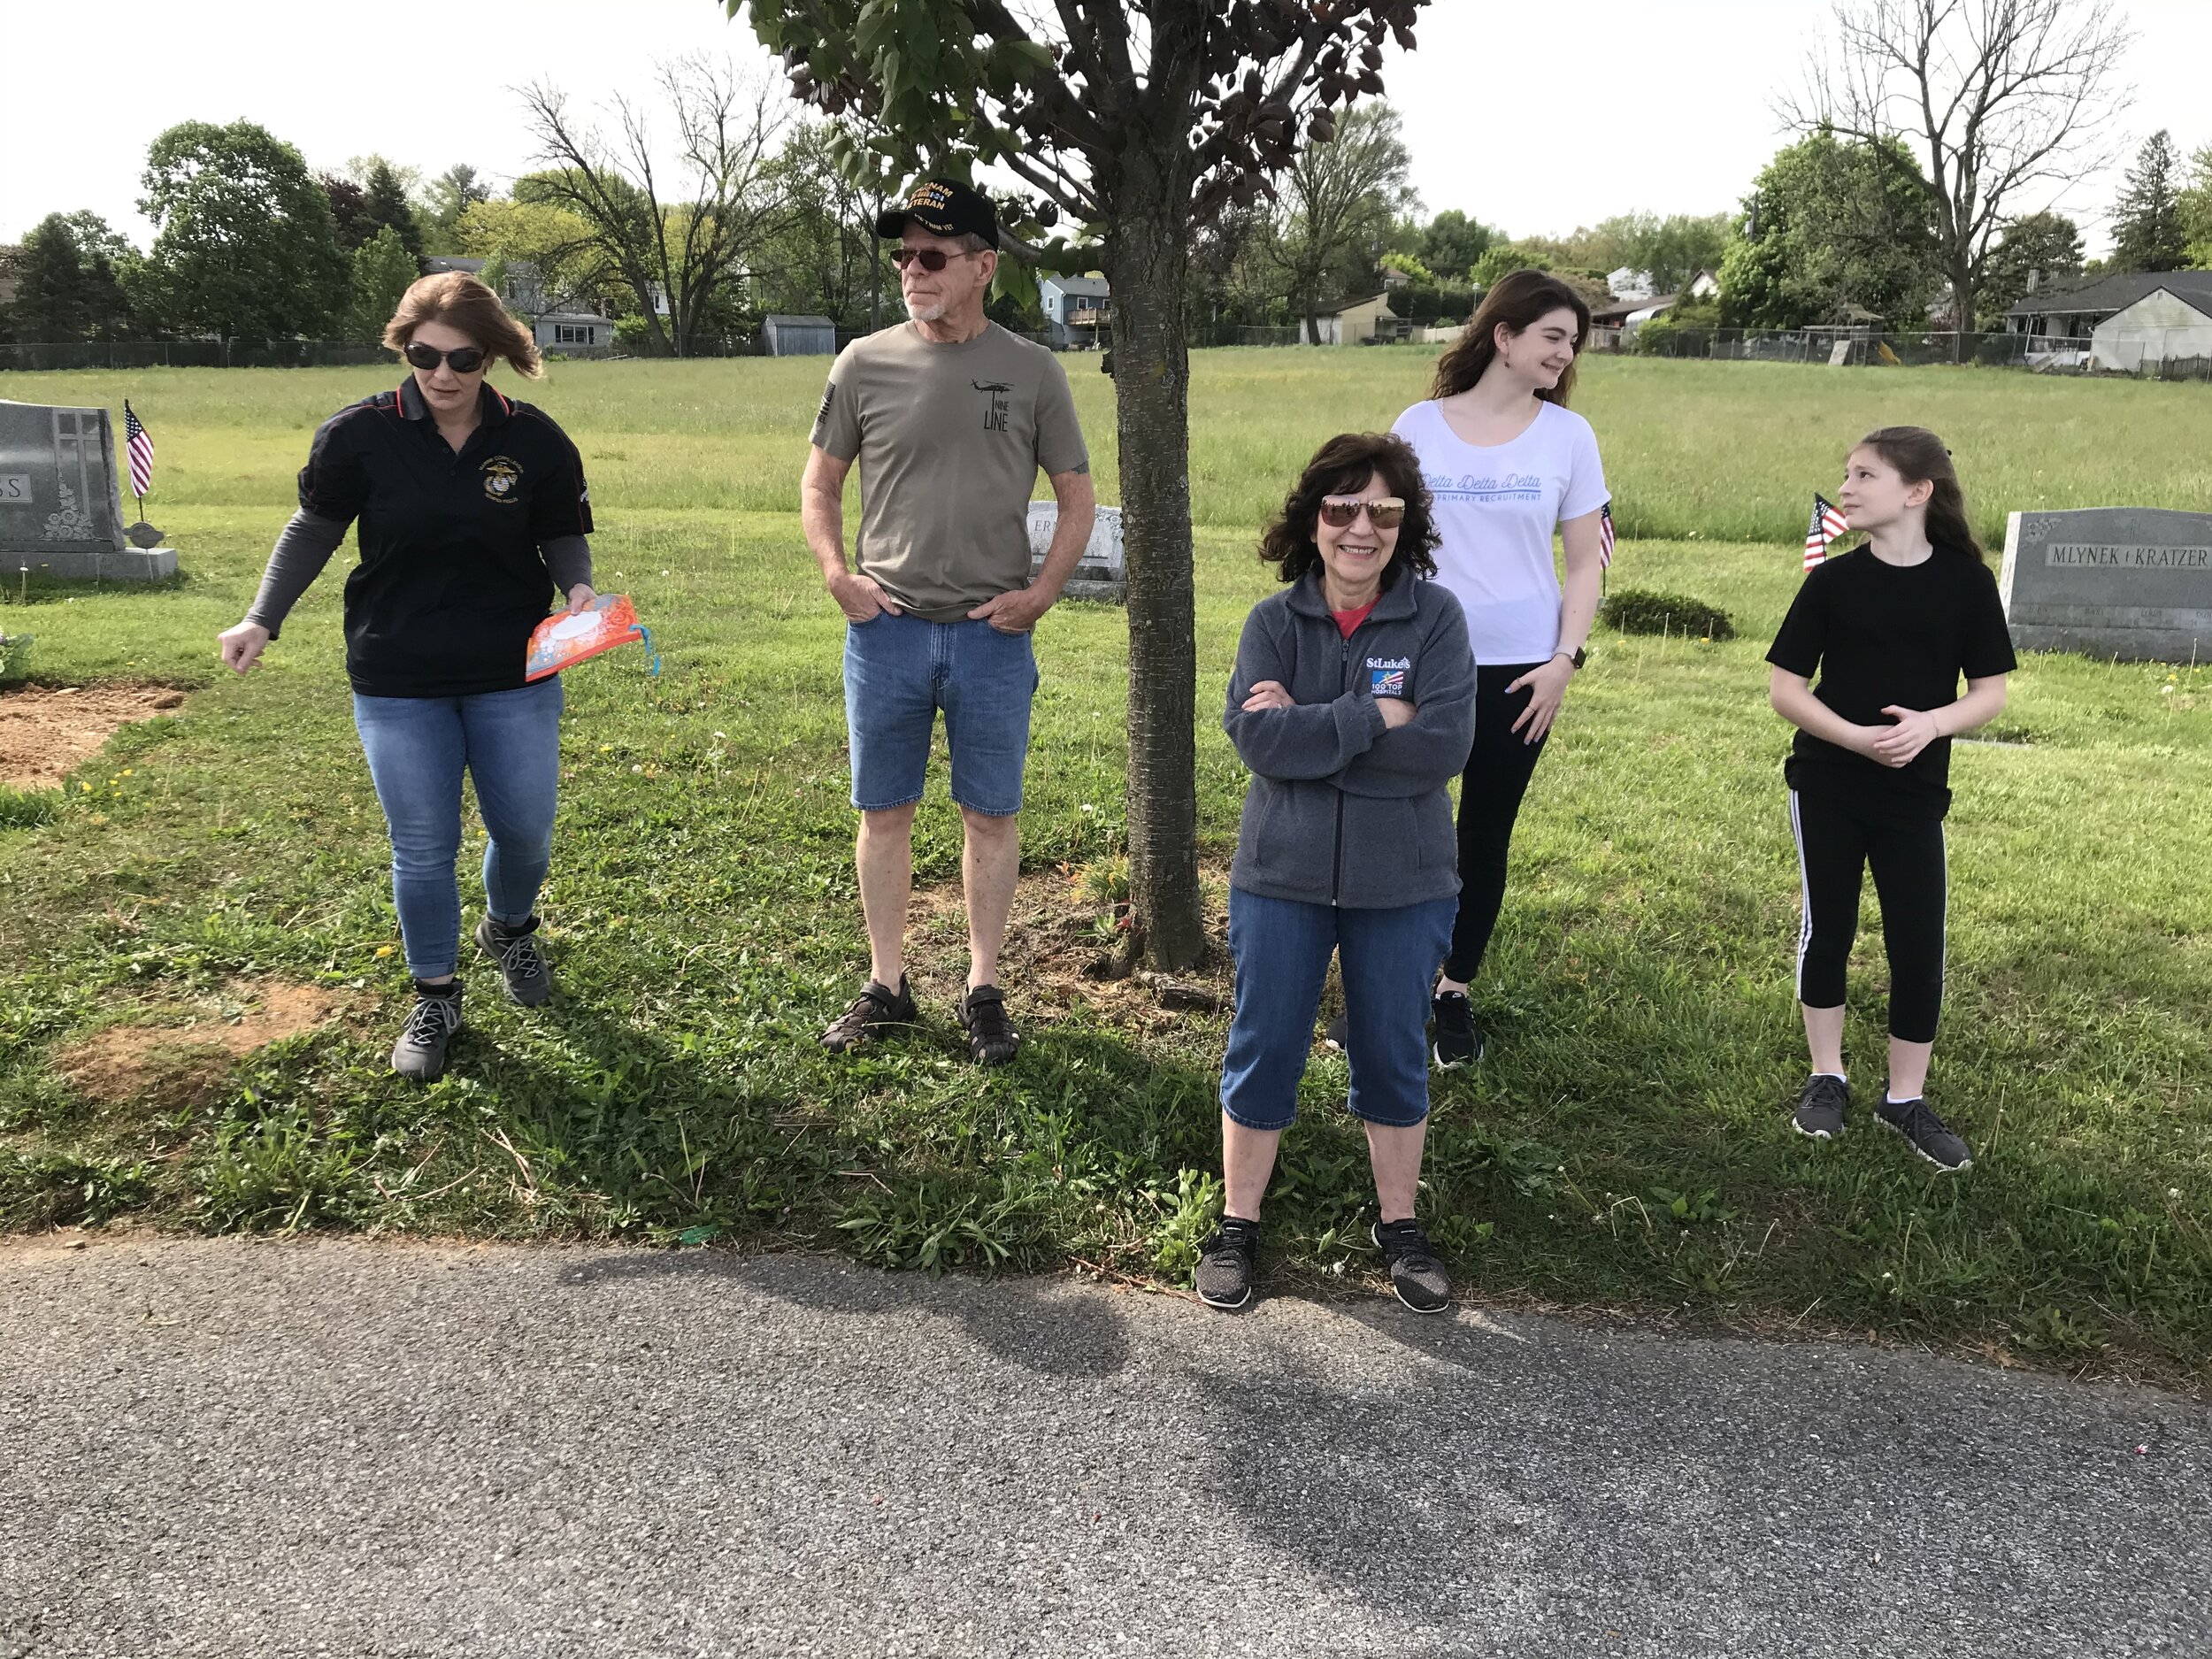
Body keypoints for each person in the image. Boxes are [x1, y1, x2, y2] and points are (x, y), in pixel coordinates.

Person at [216, 273, 595, 1081]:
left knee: (524, 829)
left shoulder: (534, 439)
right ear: (405, 350)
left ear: (490, 356)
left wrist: (581, 590)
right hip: (396, 674)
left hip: (512, 670)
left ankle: (510, 928)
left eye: (462, 358)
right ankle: (436, 994)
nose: (443, 374)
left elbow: (561, 529)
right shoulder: (360, 435)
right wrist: (261, 616)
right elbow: (313, 529)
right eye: (424, 355)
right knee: (423, 845)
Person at [803, 178, 1095, 1065]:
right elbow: (819, 483)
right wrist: (837, 576)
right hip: (885, 633)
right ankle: (886, 985)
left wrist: (1041, 593)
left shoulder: (1034, 369)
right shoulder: (861, 363)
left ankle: (980, 989)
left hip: (990, 638)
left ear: (982, 266)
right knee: (883, 813)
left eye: (932, 255)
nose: (912, 271)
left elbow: (1077, 497)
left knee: (989, 817)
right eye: (902, 255)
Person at [1194, 434, 1476, 1314]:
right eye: (1341, 508)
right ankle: (1238, 1223)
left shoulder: (1437, 621)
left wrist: (1312, 733)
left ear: (1405, 524)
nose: (1361, 528)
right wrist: (1370, 717)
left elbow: (1442, 748)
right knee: (1263, 1042)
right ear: (1311, 518)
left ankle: (1399, 1227)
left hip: (1406, 880)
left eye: (1382, 512)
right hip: (1279, 874)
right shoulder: (1272, 623)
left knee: (1393, 1046)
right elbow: (1254, 740)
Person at [1369, 269, 1611, 1067]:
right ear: (1503, 335)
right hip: (1419, 658)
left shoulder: (1567, 437)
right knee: (1403, 825)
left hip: (1521, 674)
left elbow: (1585, 564)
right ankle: (1389, 986)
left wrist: (1563, 662)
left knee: (1484, 835)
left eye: (1572, 342)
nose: (1565, 352)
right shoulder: (1419, 425)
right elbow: (1380, 539)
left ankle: (1453, 991)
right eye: (1552, 336)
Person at [1767, 426, 2016, 1172]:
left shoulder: (1967, 584)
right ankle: (1828, 1075)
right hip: (1829, 784)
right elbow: (1785, 689)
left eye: (1863, 475)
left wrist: (1932, 726)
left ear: (1916, 491)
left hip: (1914, 793)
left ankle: (1904, 1099)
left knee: (1918, 942)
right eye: (1845, 473)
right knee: (1829, 927)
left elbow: (1992, 693)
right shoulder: (1833, 582)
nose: (1845, 487)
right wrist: (1851, 737)